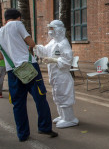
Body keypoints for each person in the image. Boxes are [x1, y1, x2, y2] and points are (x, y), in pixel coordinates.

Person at [0, 9, 58, 141]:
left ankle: (22, 134)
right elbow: (31, 43)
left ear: (5, 19)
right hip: (28, 67)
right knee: (40, 97)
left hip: (13, 71)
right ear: (18, 17)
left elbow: (0, 56)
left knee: (18, 103)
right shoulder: (17, 24)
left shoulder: (0, 32)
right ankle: (44, 127)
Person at [34, 20, 79, 128]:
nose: (50, 31)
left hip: (62, 75)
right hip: (54, 75)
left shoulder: (63, 43)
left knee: (64, 96)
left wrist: (54, 60)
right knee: (58, 95)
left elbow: (68, 61)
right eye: (49, 28)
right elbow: (45, 51)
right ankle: (62, 116)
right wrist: (36, 47)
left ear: (58, 30)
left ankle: (70, 119)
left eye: (52, 29)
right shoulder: (53, 42)